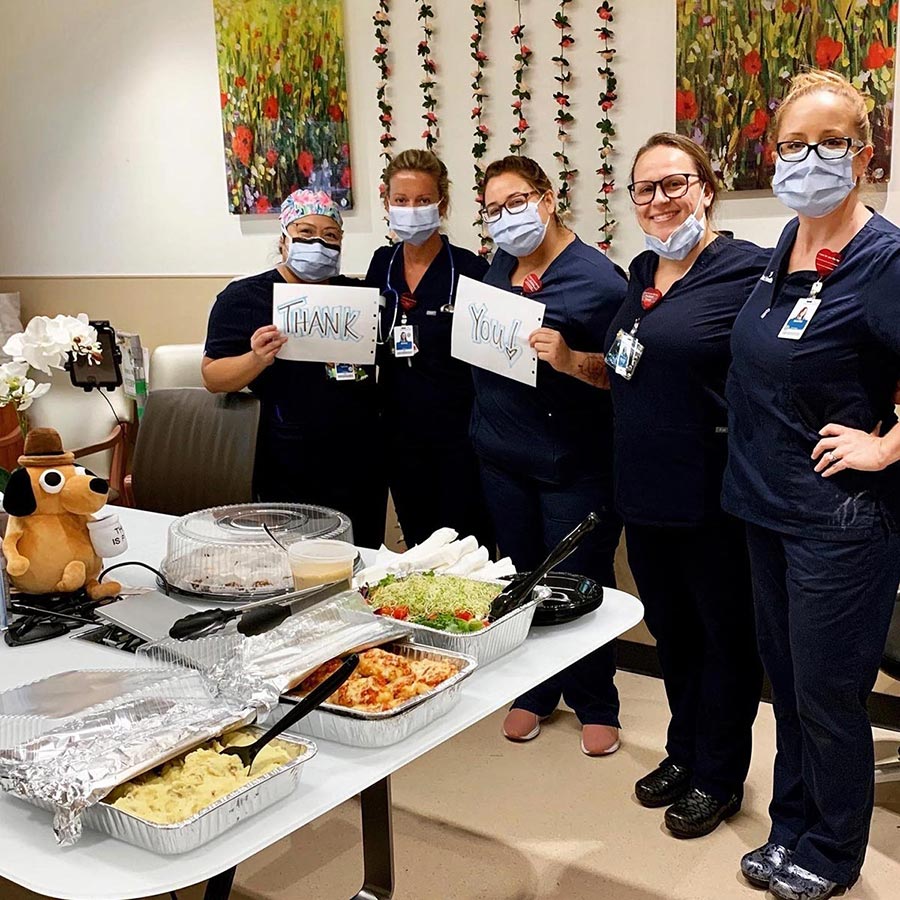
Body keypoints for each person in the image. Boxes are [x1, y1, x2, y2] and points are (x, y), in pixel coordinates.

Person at [723, 71, 900, 900]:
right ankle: (791, 826)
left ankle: (831, 852)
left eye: (830, 144)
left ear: (864, 156)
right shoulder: (784, 246)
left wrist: (885, 448)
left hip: (839, 522)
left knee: (829, 696)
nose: (808, 160)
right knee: (789, 689)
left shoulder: (883, 260)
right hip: (766, 506)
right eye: (793, 145)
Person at [590, 133, 766, 838]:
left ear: (707, 188)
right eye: (645, 188)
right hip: (643, 492)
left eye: (675, 184)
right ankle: (684, 751)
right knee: (673, 634)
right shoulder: (642, 270)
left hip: (711, 497)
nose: (659, 200)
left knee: (723, 639)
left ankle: (719, 776)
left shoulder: (748, 270)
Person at [473, 154, 626, 756]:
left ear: (547, 198)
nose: (505, 218)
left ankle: (596, 701)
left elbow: (623, 375)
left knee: (579, 582)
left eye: (516, 202)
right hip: (502, 455)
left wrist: (567, 359)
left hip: (573, 463)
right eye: (493, 210)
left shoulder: (599, 281)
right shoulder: (499, 265)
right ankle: (535, 691)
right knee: (519, 578)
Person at [202, 189, 386, 548]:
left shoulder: (359, 297)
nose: (318, 244)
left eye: (330, 235)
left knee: (359, 554)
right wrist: (255, 359)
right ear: (283, 239)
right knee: (294, 556)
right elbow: (212, 376)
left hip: (358, 457)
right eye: (305, 233)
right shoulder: (244, 298)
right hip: (286, 458)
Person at [365, 149, 494, 550]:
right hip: (400, 435)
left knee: (467, 547)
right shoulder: (381, 265)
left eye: (423, 200)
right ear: (386, 203)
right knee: (419, 547)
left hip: (461, 436)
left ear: (442, 203)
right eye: (401, 200)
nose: (411, 210)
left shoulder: (471, 270)